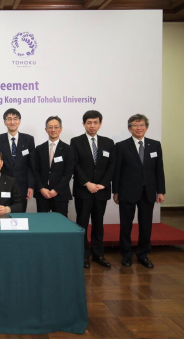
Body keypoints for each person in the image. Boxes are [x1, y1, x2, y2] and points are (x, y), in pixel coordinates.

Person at [113, 114, 165, 268]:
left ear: (146, 127)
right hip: (127, 191)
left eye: (141, 125)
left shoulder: (155, 145)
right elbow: (117, 171)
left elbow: (159, 170)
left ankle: (143, 254)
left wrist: (161, 191)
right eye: (135, 125)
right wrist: (115, 191)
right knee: (126, 225)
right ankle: (127, 255)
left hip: (148, 192)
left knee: (146, 225)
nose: (139, 128)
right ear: (129, 128)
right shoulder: (121, 146)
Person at [71, 110, 116, 269]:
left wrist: (103, 183)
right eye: (89, 122)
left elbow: (111, 166)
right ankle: (83, 255)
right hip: (84, 190)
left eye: (95, 122)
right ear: (83, 124)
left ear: (100, 124)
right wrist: (87, 183)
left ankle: (99, 254)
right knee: (81, 224)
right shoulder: (76, 141)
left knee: (98, 223)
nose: (92, 125)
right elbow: (75, 165)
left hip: (101, 191)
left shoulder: (108, 143)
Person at [0, 108, 35, 212]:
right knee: (2, 213)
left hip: (22, 185)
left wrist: (30, 186)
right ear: (4, 122)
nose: (12, 122)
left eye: (15, 119)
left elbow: (31, 165)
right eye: (9, 119)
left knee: (20, 213)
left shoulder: (28, 139)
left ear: (19, 121)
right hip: (2, 184)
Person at [34, 116, 74, 216]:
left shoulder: (68, 149)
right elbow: (35, 170)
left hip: (61, 194)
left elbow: (68, 173)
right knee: (42, 224)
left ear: (61, 129)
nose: (53, 130)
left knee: (61, 225)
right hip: (42, 194)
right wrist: (41, 188)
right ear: (46, 129)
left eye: (56, 127)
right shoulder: (39, 149)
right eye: (50, 127)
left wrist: (56, 190)